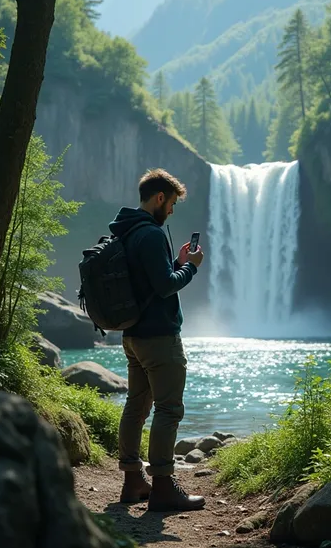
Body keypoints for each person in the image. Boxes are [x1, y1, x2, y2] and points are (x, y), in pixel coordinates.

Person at [109, 168, 205, 512]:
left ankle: (133, 480)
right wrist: (191, 267)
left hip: (133, 336)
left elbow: (152, 279)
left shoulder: (127, 231)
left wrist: (175, 262)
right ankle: (163, 486)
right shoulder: (150, 234)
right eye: (173, 203)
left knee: (136, 407)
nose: (173, 211)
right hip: (159, 338)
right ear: (160, 198)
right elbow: (165, 286)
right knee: (168, 409)